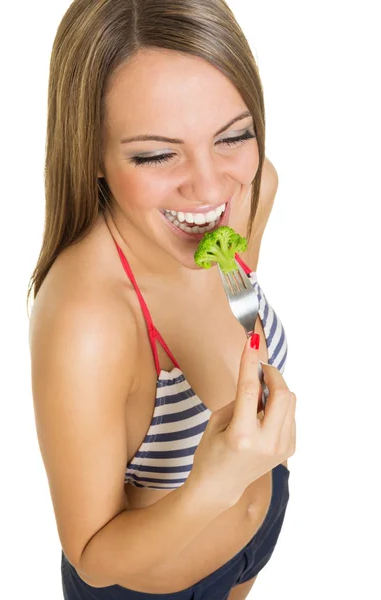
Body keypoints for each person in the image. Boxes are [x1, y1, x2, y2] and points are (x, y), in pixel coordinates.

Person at [27, 1, 296, 598]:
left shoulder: (248, 190)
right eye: (156, 153)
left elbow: (236, 296)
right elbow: (93, 558)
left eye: (233, 135)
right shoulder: (86, 319)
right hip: (159, 585)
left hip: (260, 526)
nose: (208, 186)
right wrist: (214, 486)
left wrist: (250, 478)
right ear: (91, 152)